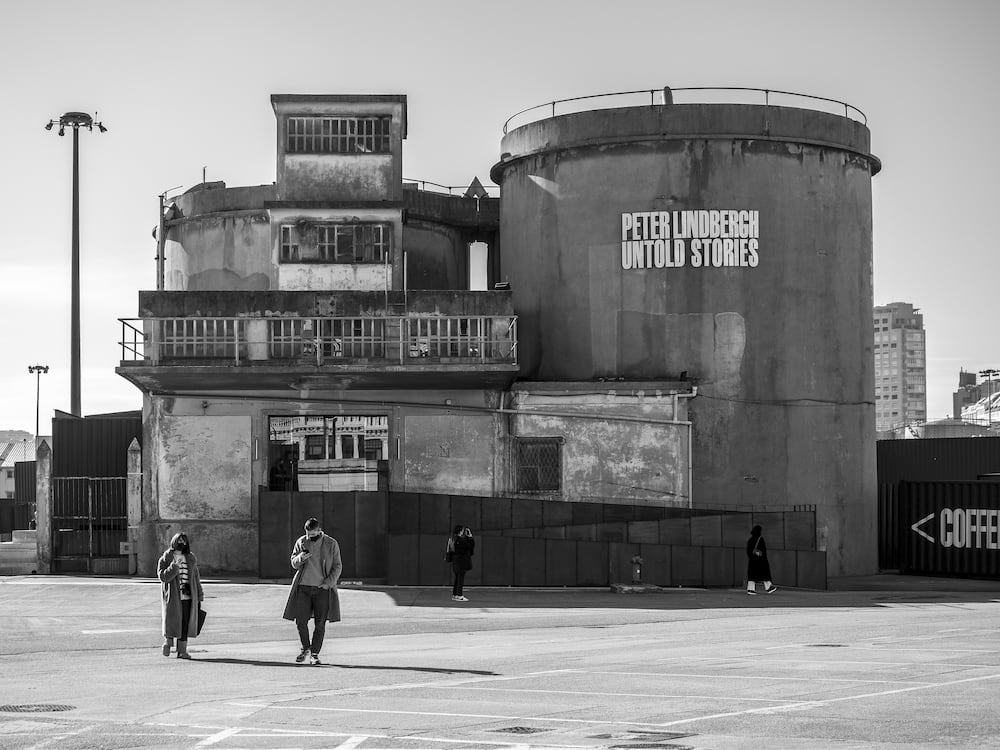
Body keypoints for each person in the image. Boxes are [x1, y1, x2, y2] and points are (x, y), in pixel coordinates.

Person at [282, 517, 342, 665]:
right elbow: (293, 562)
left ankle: (314, 654)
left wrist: (328, 583)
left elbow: (337, 566)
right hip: (303, 587)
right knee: (300, 621)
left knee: (320, 623)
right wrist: (301, 557)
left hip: (322, 588)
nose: (310, 537)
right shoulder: (301, 542)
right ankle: (305, 648)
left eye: (313, 534)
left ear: (319, 530)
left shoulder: (331, 543)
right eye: (308, 534)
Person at [156, 532, 204, 659]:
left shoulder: (190, 558)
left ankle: (182, 651)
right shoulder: (166, 558)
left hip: (188, 597)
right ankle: (168, 643)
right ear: (174, 541)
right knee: (171, 621)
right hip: (173, 598)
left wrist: (199, 595)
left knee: (185, 623)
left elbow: (196, 579)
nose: (181, 543)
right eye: (179, 540)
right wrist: (174, 568)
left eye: (184, 541)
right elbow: (163, 577)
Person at [746, 524, 777, 595]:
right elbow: (763, 551)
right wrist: (760, 554)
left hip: (752, 561)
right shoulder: (760, 539)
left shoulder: (750, 539)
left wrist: (752, 555)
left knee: (752, 575)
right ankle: (769, 587)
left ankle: (750, 589)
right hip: (760, 561)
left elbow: (749, 550)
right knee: (764, 574)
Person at [447, 525, 475, 602]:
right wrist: (470, 537)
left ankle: (455, 594)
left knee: (457, 578)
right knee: (460, 578)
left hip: (455, 560)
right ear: (460, 531)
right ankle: (459, 595)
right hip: (461, 561)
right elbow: (470, 546)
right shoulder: (460, 540)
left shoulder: (452, 539)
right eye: (462, 530)